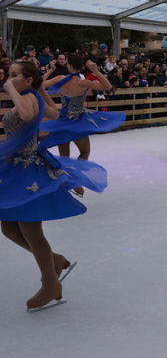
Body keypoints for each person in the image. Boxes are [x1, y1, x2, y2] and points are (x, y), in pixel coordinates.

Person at [0, 61, 107, 310]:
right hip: (15, 169)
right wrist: (41, 89)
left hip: (29, 172)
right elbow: (55, 114)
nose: (9, 78)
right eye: (9, 75)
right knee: (8, 227)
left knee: (30, 230)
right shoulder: (31, 95)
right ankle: (55, 261)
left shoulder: (26, 98)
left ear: (27, 81)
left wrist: (12, 88)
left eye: (15, 75)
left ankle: (50, 283)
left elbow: (27, 115)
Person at [39, 55, 125, 196]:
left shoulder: (60, 79)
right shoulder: (82, 82)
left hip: (62, 122)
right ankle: (75, 180)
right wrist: (96, 72)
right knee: (84, 152)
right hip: (78, 122)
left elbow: (40, 84)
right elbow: (108, 87)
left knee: (64, 157)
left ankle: (68, 181)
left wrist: (50, 70)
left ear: (68, 66)